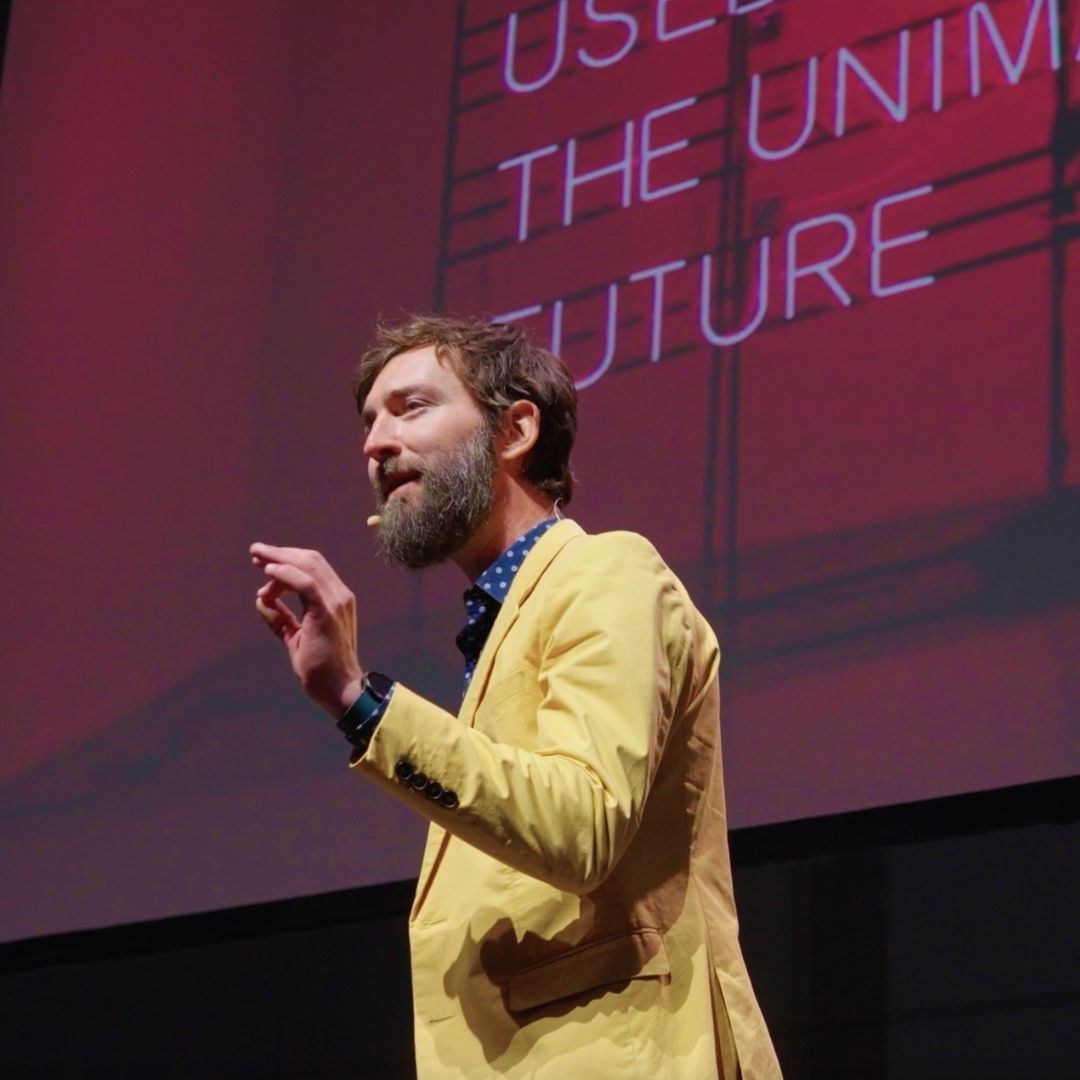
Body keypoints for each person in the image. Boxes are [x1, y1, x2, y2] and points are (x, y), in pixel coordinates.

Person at [250, 314, 781, 1079]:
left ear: (515, 431)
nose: (373, 444)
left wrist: (359, 700)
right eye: (368, 422)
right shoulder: (503, 624)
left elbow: (579, 823)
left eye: (410, 407)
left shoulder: (608, 571)